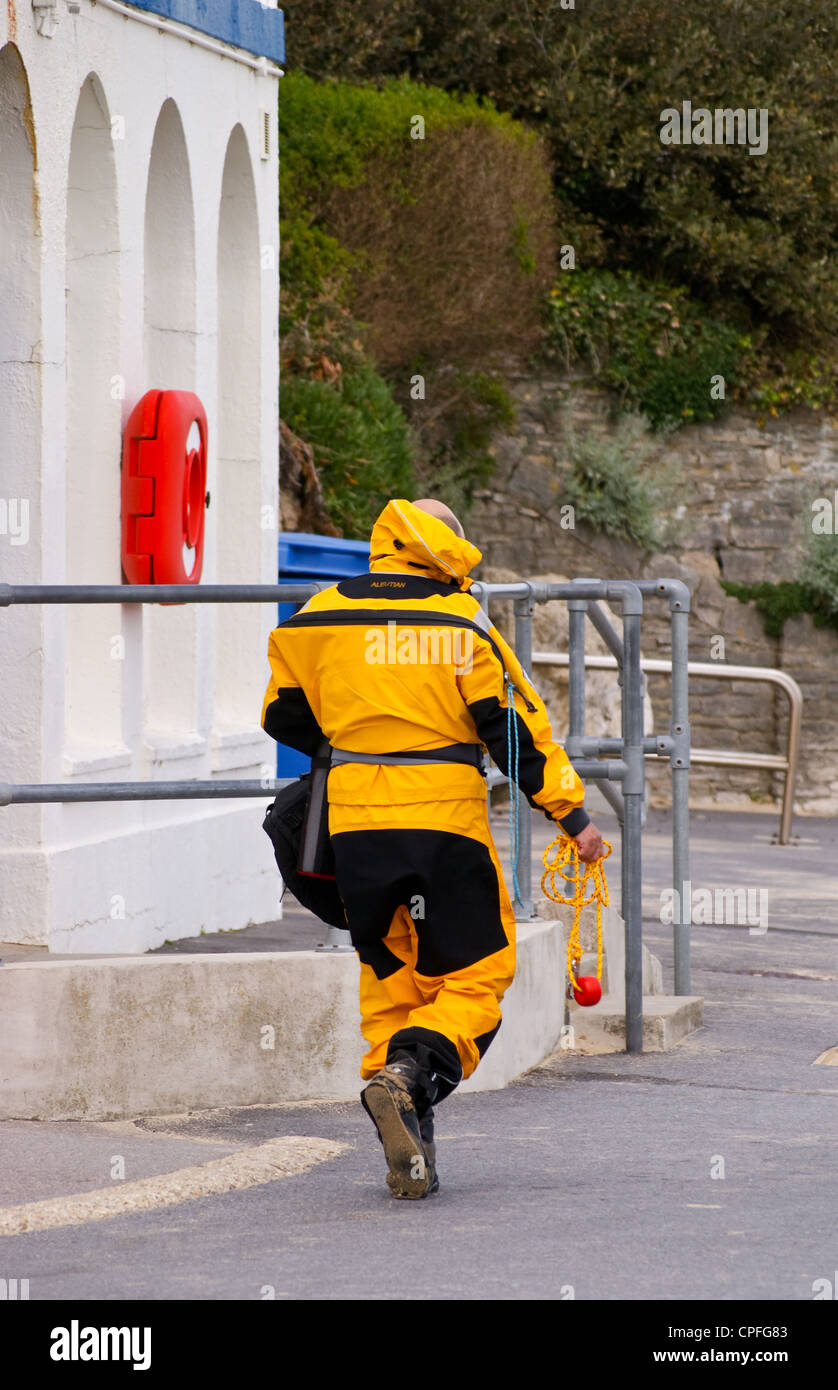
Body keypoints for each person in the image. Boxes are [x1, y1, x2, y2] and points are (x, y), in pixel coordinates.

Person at [261, 497, 603, 1200]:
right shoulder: (459, 620)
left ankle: (412, 1132)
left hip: (354, 825)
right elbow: (514, 731)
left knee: (393, 985)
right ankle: (411, 1079)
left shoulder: (318, 615)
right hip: (441, 822)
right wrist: (572, 818)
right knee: (477, 976)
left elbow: (282, 714)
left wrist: (363, 739)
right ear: (446, 548)